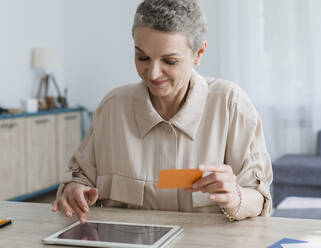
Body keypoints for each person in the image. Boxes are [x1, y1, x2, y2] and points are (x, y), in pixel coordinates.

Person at [52, 0, 273, 223]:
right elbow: (79, 178)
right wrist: (74, 190)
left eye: (169, 61)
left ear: (199, 53)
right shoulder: (112, 108)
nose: (153, 74)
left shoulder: (231, 105)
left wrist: (236, 197)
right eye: (142, 57)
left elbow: (259, 198)